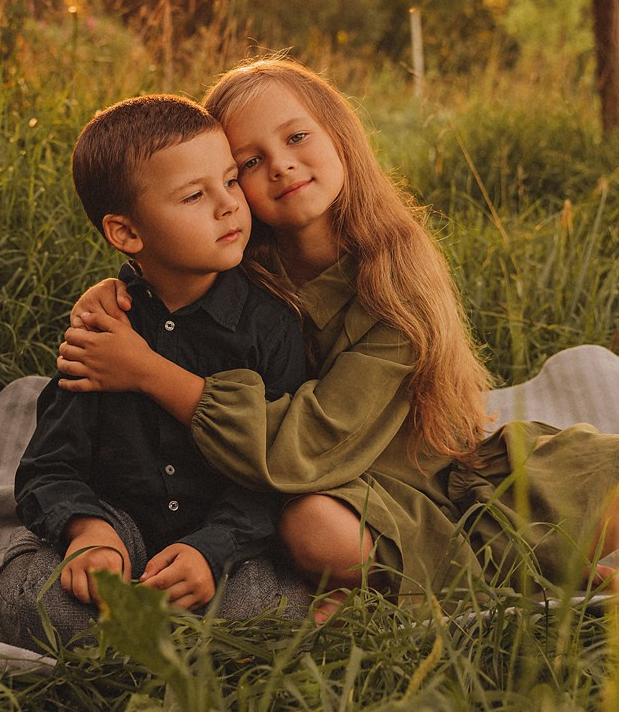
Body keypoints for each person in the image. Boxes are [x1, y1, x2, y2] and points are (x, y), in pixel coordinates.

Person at [57, 59, 619, 614]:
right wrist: (115, 290)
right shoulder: (238, 260)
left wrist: (146, 371)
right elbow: (164, 264)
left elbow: (312, 444)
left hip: (438, 471)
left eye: (298, 136)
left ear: (341, 136)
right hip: (352, 499)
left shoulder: (396, 280)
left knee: (588, 488)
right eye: (248, 161)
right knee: (311, 529)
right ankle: (504, 570)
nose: (280, 166)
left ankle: (518, 565)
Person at [0, 94, 308, 652]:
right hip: (122, 525)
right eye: (193, 195)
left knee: (263, 609)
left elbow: (273, 474)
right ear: (127, 234)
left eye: (230, 182)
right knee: (28, 596)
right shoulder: (105, 327)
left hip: (227, 541)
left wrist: (213, 549)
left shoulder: (270, 326)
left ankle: (147, 646)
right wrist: (89, 533)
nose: (228, 206)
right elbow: (47, 467)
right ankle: (147, 642)